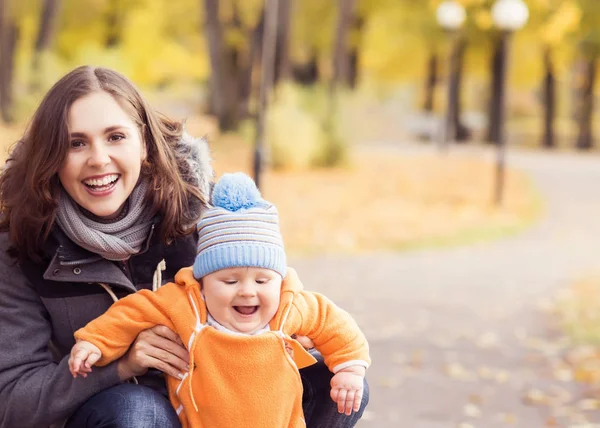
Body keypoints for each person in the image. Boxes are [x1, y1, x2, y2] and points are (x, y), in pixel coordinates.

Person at [0, 65, 369, 428]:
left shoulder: (199, 213)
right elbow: (12, 400)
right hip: (114, 412)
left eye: (115, 137)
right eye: (75, 143)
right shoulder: (22, 246)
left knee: (341, 384)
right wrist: (120, 365)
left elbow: (266, 282)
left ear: (143, 142)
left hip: (223, 397)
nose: (98, 159)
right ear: (51, 155)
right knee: (136, 412)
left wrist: (277, 320)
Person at [69, 172, 371, 428]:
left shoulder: (288, 305)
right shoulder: (188, 305)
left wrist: (350, 370)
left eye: (262, 280)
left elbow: (335, 324)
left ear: (279, 280)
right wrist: (95, 342)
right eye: (230, 281)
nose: (248, 291)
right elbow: (132, 312)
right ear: (203, 283)